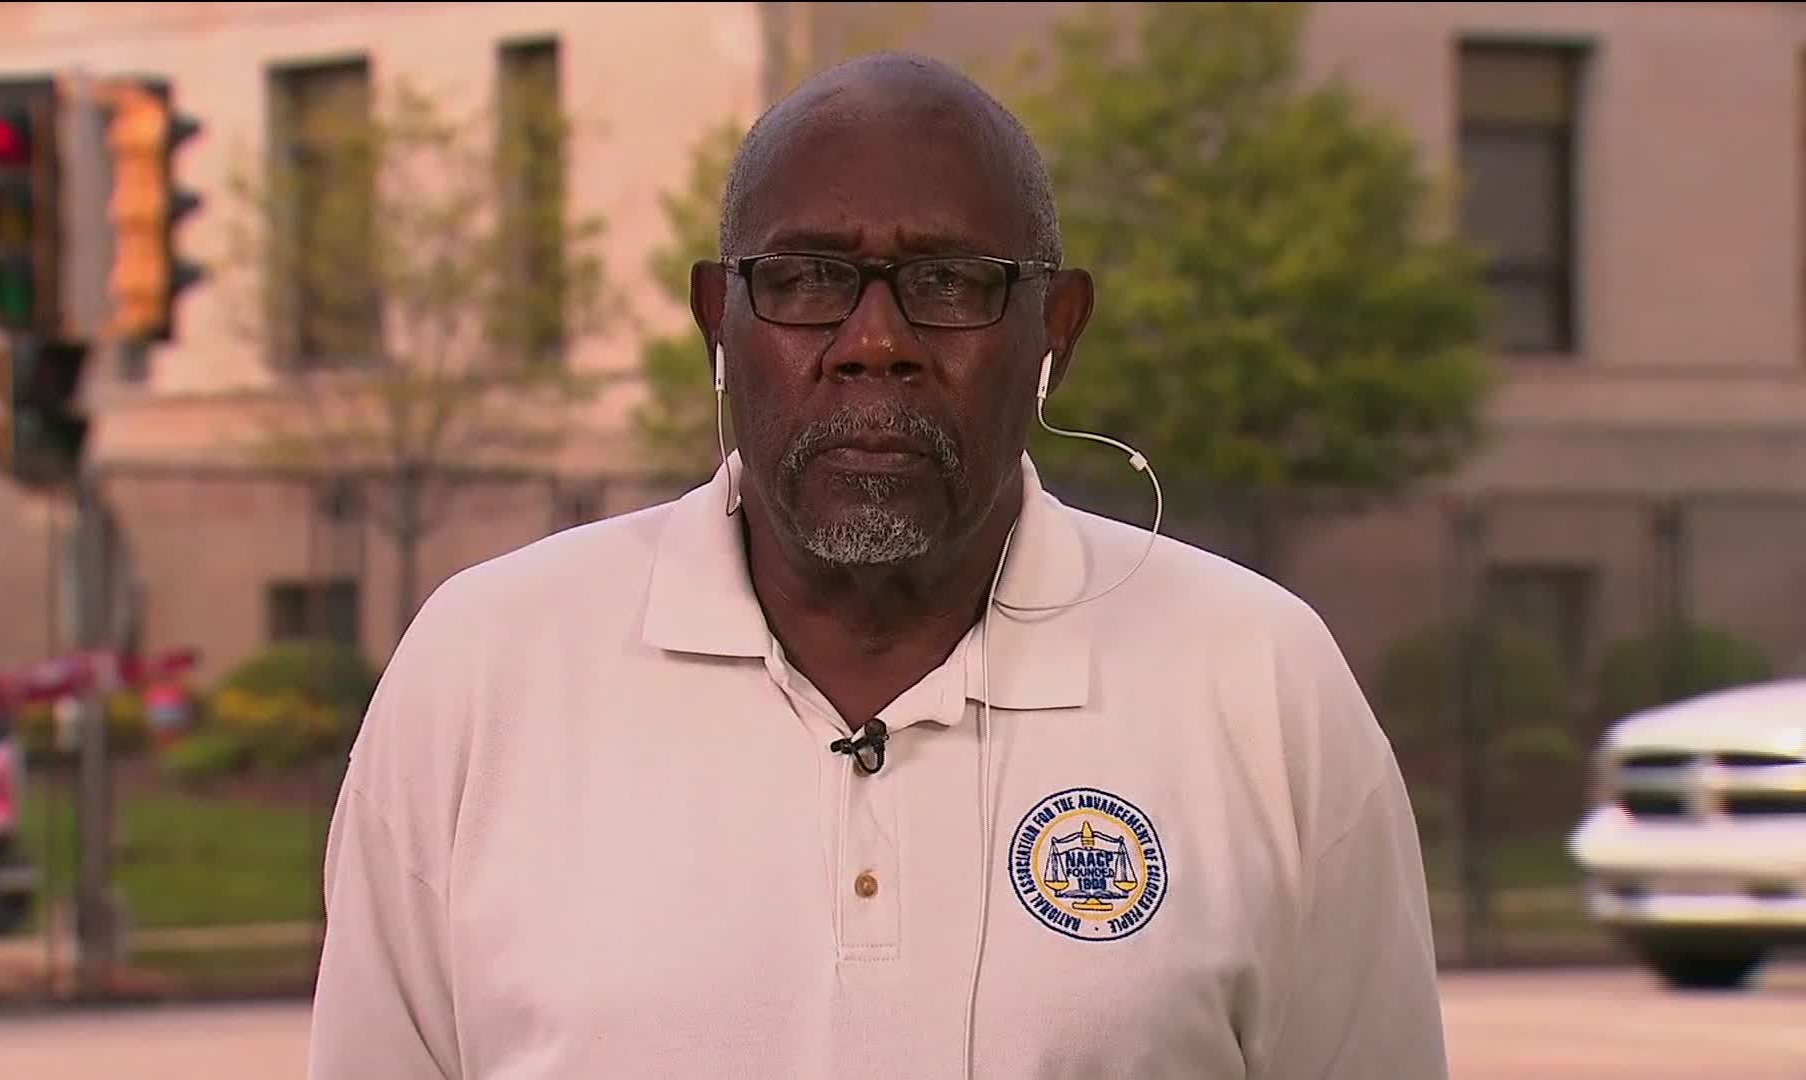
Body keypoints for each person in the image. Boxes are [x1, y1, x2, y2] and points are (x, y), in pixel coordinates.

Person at [308, 51, 1445, 1080]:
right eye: (806, 279)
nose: (876, 343)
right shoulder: (485, 673)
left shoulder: (1259, 680)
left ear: (1057, 326)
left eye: (949, 283)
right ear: (720, 319)